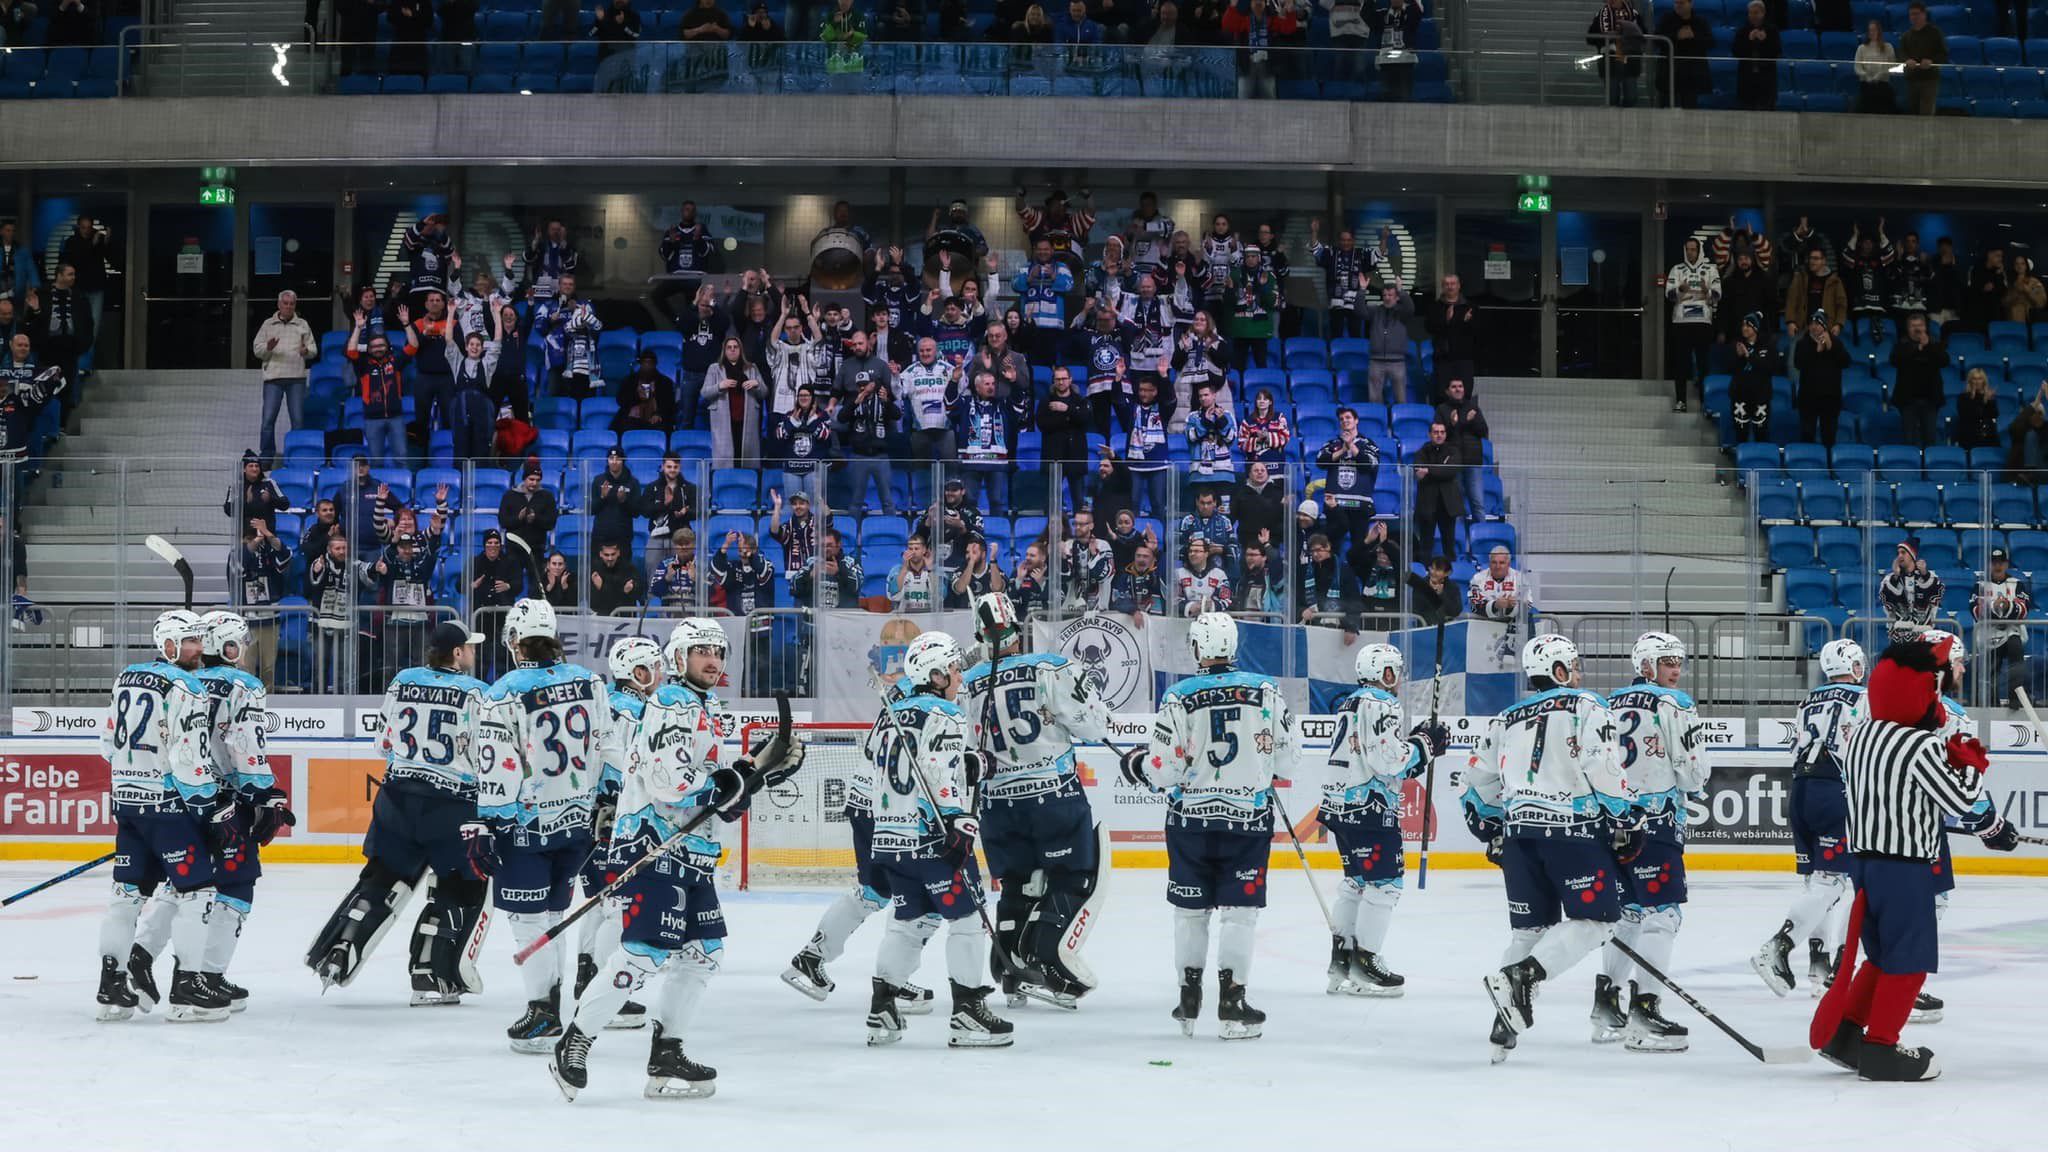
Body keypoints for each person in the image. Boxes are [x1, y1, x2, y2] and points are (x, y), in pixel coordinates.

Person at [551, 619, 804, 1099]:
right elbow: (672, 780)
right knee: (645, 952)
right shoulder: (671, 702)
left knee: (704, 954)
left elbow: (716, 796)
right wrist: (731, 779)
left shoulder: (705, 707)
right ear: (679, 658)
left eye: (718, 651)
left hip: (691, 849)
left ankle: (667, 1055)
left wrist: (755, 774)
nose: (713, 659)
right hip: (653, 845)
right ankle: (575, 1041)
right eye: (701, 651)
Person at [1810, 636, 2015, 1081]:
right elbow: (1958, 800)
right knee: (1910, 960)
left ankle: (1845, 1035)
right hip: (1904, 866)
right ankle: (1882, 1046)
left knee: (1880, 957)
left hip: (1864, 863)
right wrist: (1971, 768)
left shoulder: (1863, 734)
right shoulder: (1918, 746)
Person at [1120, 612, 1294, 1040]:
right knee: (1239, 914)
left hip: (1189, 822)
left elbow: (1163, 770)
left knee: (1190, 911)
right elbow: (1287, 761)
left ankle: (1189, 996)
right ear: (1233, 645)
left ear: (1197, 648)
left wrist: (1138, 763)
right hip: (1248, 821)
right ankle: (1232, 1002)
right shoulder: (1267, 691)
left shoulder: (1179, 697)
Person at [1463, 634, 1635, 1063]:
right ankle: (1524, 976)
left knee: (1530, 931)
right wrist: (1627, 818)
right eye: (1573, 666)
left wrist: (1491, 827)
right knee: (1598, 922)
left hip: (1520, 835)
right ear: (1560, 671)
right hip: (1573, 833)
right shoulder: (1587, 706)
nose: (1578, 674)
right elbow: (1602, 764)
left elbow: (1478, 783)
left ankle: (1504, 1022)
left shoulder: (1506, 717)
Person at [307, 621, 490, 1006]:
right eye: (470, 647)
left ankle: (342, 947)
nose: (474, 652)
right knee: (457, 887)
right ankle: (431, 973)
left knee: (383, 877)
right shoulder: (476, 693)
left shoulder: (403, 680)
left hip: (396, 798)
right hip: (451, 803)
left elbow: (382, 742)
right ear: (457, 653)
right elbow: (484, 757)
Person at [128, 612, 288, 1013]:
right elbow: (245, 747)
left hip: (184, 795)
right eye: (240, 643)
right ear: (228, 646)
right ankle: (206, 978)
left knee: (185, 882)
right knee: (236, 884)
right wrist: (265, 794)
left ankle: (140, 956)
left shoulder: (185, 680)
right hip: (225, 803)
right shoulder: (244, 686)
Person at [860, 631, 1013, 1049]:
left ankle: (883, 1006)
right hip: (933, 839)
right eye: (955, 669)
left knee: (912, 922)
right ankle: (967, 1013)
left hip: (890, 837)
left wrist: (969, 764)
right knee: (965, 922)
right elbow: (936, 770)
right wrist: (956, 818)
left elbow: (884, 761)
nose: (960, 676)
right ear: (936, 674)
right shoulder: (945, 714)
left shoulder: (892, 715)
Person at [473, 600, 613, 1054]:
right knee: (554, 916)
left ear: (514, 641)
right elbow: (609, 747)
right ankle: (554, 1002)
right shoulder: (590, 682)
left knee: (527, 921)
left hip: (526, 827)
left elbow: (499, 766)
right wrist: (607, 801)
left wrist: (490, 824)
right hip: (578, 823)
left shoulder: (504, 691)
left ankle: (543, 1012)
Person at [961, 593, 1114, 1007]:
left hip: (996, 804)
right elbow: (1094, 723)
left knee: (1015, 884)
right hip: (1052, 796)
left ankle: (1010, 970)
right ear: (1017, 625)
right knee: (1073, 877)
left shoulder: (967, 682)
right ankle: (1048, 959)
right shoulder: (1050, 667)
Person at [94, 612, 229, 1022]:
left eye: (198, 641)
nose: (197, 649)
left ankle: (112, 988)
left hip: (127, 801)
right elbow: (189, 758)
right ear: (167, 644)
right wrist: (209, 809)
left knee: (125, 896)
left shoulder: (126, 678)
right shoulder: (188, 686)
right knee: (199, 891)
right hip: (167, 806)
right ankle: (188, 987)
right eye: (188, 642)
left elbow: (106, 744)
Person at [1594, 633, 1706, 1053]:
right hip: (1655, 824)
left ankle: (1606, 1005)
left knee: (1629, 914)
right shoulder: (1675, 704)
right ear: (1646, 665)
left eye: (1678, 661)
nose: (1675, 669)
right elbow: (1694, 772)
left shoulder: (1607, 704)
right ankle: (1645, 1010)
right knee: (1663, 916)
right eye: (1667, 661)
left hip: (1615, 820)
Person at [1320, 644, 1446, 997]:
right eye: (1396, 671)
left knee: (1356, 882)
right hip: (1369, 807)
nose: (1399, 678)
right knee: (1385, 885)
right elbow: (1389, 761)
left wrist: (1419, 746)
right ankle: (1366, 966)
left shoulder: (1350, 702)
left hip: (1341, 804)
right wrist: (1424, 745)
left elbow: (1376, 753)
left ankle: (1341, 962)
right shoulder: (1382, 703)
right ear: (1386, 673)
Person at [1754, 639, 1867, 997]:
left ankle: (1819, 964)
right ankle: (1779, 945)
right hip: (1836, 790)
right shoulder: (1865, 698)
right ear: (1857, 666)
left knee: (1818, 882)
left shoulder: (1808, 701)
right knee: (1832, 882)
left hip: (1801, 788)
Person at [251, 290, 317, 465]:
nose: (288, 306)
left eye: (292, 304)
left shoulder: (302, 324)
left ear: (295, 305)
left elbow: (313, 349)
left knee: (298, 421)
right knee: (267, 420)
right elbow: (257, 351)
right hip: (274, 378)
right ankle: (266, 457)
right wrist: (268, 348)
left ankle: (296, 458)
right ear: (279, 305)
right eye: (285, 303)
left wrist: (306, 351)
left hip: (296, 378)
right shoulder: (268, 324)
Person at [347, 324, 419, 467]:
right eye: (374, 346)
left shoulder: (395, 362)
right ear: (369, 349)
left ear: (387, 346)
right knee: (376, 461)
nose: (378, 348)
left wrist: (405, 325)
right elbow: (351, 351)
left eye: (381, 345)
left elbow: (413, 346)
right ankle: (378, 489)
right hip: (372, 420)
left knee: (401, 459)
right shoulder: (363, 365)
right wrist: (358, 328)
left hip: (396, 418)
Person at [1970, 548, 2031, 707]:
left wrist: (2006, 606)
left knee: (2015, 647)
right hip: (1989, 635)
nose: (1998, 566)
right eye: (1994, 562)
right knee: (1991, 666)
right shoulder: (1980, 585)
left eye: (2001, 562)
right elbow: (1975, 611)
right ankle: (1991, 703)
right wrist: (1995, 607)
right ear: (1989, 565)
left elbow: (2024, 609)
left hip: (2012, 632)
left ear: (2006, 564)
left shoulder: (2017, 584)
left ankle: (2016, 697)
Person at [1665, 238, 1720, 413]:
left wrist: (1706, 291)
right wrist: (1681, 290)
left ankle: (1706, 402)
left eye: (1693, 249)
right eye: (1688, 249)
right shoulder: (1677, 269)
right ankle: (1681, 401)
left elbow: (1718, 295)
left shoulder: (1710, 269)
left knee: (1703, 364)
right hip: (1682, 322)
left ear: (1699, 250)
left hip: (1703, 322)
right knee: (1681, 363)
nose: (1690, 253)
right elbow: (1669, 295)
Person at [700, 336, 769, 469]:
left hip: (746, 420)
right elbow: (704, 393)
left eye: (735, 347)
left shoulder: (751, 368)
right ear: (724, 351)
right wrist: (720, 385)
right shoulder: (715, 368)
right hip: (723, 420)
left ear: (740, 350)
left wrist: (756, 383)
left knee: (745, 457)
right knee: (726, 459)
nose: (732, 350)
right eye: (729, 347)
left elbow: (764, 392)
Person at [1793, 310, 1851, 449]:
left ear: (1824, 325)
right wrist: (1816, 351)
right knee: (1807, 434)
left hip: (1830, 398)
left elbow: (1846, 362)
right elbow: (1798, 364)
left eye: (1817, 323)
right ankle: (1806, 466)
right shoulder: (1802, 344)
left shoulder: (1836, 342)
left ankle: (1829, 466)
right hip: (1808, 397)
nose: (1814, 326)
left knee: (1829, 436)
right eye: (1811, 323)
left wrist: (1831, 347)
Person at [1309, 218, 1376, 337]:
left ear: (1353, 240)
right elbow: (1316, 250)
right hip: (1336, 302)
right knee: (1336, 333)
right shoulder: (1331, 252)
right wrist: (1314, 232)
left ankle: (1355, 354)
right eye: (1343, 240)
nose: (1346, 243)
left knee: (1355, 334)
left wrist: (1385, 239)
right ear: (1339, 241)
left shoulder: (1361, 254)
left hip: (1356, 303)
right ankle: (1336, 354)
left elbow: (1378, 255)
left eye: (1349, 240)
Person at [1889, 312, 1947, 449]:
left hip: (1930, 399)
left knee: (1930, 439)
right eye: (1913, 326)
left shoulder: (1934, 343)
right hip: (1908, 400)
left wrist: (1928, 346)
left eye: (1920, 325)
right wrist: (1917, 349)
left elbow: (1944, 361)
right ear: (1908, 328)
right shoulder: (1901, 344)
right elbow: (1895, 360)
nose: (1917, 329)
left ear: (1925, 327)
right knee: (1909, 440)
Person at [1435, 380, 1489, 524]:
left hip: (1473, 462)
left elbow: (1484, 432)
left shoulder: (1473, 408)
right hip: (1453, 462)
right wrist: (1454, 424)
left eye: (1460, 386)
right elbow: (1439, 436)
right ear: (1447, 391)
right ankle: (1457, 540)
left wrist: (1471, 421)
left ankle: (1482, 537)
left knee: (1477, 503)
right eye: (1454, 387)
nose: (1458, 389)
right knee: (1456, 505)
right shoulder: (1442, 409)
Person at [1413, 421, 1462, 563]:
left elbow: (1451, 471)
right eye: (1436, 432)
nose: (1439, 435)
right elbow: (1418, 471)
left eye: (1442, 432)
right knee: (1425, 546)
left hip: (1448, 505)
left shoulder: (1453, 450)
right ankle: (1424, 577)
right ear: (1430, 434)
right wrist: (1440, 470)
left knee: (1449, 546)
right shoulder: (1422, 451)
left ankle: (1451, 577)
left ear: (1446, 434)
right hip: (1427, 505)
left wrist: (1429, 471)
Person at [1426, 275, 1478, 402]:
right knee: (1441, 394)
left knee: (1464, 394)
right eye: (1447, 284)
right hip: (1443, 358)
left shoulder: (1470, 307)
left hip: (1464, 357)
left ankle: (1463, 421)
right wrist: (1447, 320)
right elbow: (1430, 328)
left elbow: (1477, 331)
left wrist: (1464, 322)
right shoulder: (1436, 307)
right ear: (1443, 287)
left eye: (1453, 284)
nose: (1450, 287)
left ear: (1459, 286)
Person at [1878, 538, 1942, 641]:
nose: (1899, 556)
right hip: (1899, 637)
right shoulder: (1890, 578)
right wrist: (1896, 576)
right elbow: (1885, 599)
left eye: (1903, 553)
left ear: (1912, 555)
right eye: (1898, 553)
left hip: (1923, 636)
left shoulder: (1928, 576)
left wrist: (1925, 575)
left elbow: (1938, 592)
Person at [1729, 311, 1778, 445]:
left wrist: (1748, 356)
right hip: (1740, 396)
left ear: (1755, 328)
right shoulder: (1736, 345)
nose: (1745, 328)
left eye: (1748, 326)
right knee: (1741, 434)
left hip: (1761, 396)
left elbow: (1769, 368)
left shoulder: (1767, 346)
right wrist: (1739, 357)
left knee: (1761, 433)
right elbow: (1730, 368)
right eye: (1743, 325)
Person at [1362, 280, 1413, 404]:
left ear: (1396, 297)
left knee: (1401, 398)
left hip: (1397, 361)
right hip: (1376, 361)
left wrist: (1401, 291)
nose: (1387, 298)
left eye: (1390, 295)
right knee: (1374, 399)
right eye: (1384, 295)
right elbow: (1359, 311)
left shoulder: (1402, 312)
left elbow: (1410, 308)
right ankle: (1377, 421)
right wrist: (1362, 290)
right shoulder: (1375, 311)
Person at [1656, 0, 1713, 108]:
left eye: (1681, 3)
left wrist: (1693, 36)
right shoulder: (1666, 19)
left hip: (1692, 74)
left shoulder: (1700, 21)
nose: (1678, 5)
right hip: (1669, 72)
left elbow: (1710, 42)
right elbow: (1657, 40)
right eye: (1676, 3)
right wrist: (1676, 36)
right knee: (1666, 108)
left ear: (1691, 4)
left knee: (1690, 108)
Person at [1588, 0, 1644, 108]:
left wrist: (1627, 37)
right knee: (1612, 97)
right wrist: (1607, 38)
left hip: (1630, 60)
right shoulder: (1601, 14)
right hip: (1609, 60)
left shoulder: (1634, 14)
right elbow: (1590, 38)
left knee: (1631, 97)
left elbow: (1643, 35)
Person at [1730, 0, 1780, 111]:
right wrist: (1748, 40)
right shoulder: (1742, 31)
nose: (1753, 16)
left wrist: (1765, 41)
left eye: (1756, 13)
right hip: (1747, 81)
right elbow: (1735, 52)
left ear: (1763, 13)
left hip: (1766, 82)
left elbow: (1777, 52)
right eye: (1750, 13)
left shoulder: (1772, 30)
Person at [1899, 1, 1946, 116]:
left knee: (1927, 114)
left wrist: (1932, 61)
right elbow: (1901, 53)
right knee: (1912, 113)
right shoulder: (1906, 35)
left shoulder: (1935, 33)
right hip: (1912, 79)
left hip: (1929, 79)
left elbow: (1943, 54)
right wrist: (1907, 60)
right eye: (1911, 14)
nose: (1914, 17)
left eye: (1916, 14)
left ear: (1924, 14)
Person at [1853, 20, 1897, 113]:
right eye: (1870, 30)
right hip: (1867, 84)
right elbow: (1857, 67)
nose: (1872, 32)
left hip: (1882, 84)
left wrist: (1880, 75)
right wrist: (1866, 76)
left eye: (1874, 30)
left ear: (1879, 32)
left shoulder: (1888, 47)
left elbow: (1892, 66)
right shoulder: (1861, 48)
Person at [1954, 367, 2001, 452]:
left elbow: (1994, 414)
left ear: (1984, 381)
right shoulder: (1963, 397)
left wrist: (1990, 401)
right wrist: (1983, 402)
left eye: (1979, 379)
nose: (1977, 382)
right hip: (1968, 433)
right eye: (1974, 379)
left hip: (1986, 433)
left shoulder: (1988, 397)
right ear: (1970, 380)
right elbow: (1968, 415)